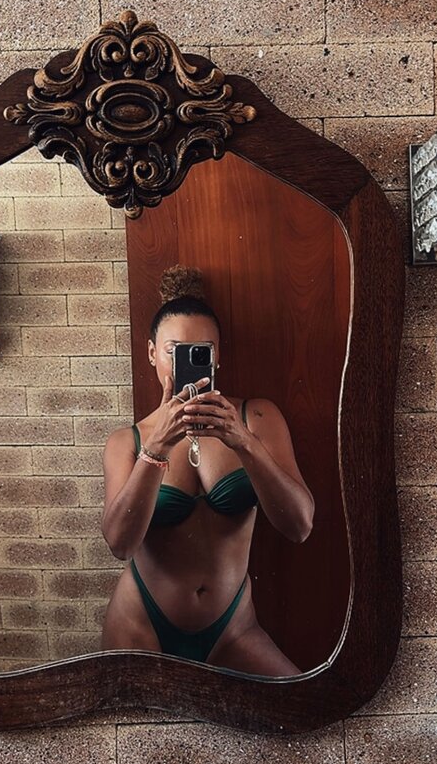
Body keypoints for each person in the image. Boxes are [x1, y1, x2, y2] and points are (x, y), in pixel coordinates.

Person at [101, 265, 315, 676]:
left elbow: (300, 526)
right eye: (174, 351)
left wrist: (242, 442)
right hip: (140, 625)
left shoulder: (256, 418)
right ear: (151, 353)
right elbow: (120, 545)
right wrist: (157, 448)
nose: (187, 363)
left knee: (300, 705)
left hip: (232, 630)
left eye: (202, 351)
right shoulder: (127, 441)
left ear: (218, 356)